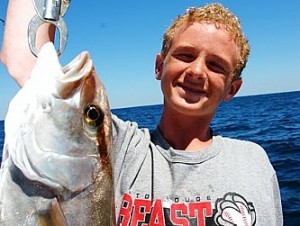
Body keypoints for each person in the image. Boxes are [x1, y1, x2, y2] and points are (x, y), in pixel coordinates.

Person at [1, 1, 283, 225]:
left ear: (232, 89)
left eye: (216, 66)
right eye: (185, 55)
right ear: (159, 66)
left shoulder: (253, 162)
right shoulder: (118, 148)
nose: (197, 71)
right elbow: (25, 54)